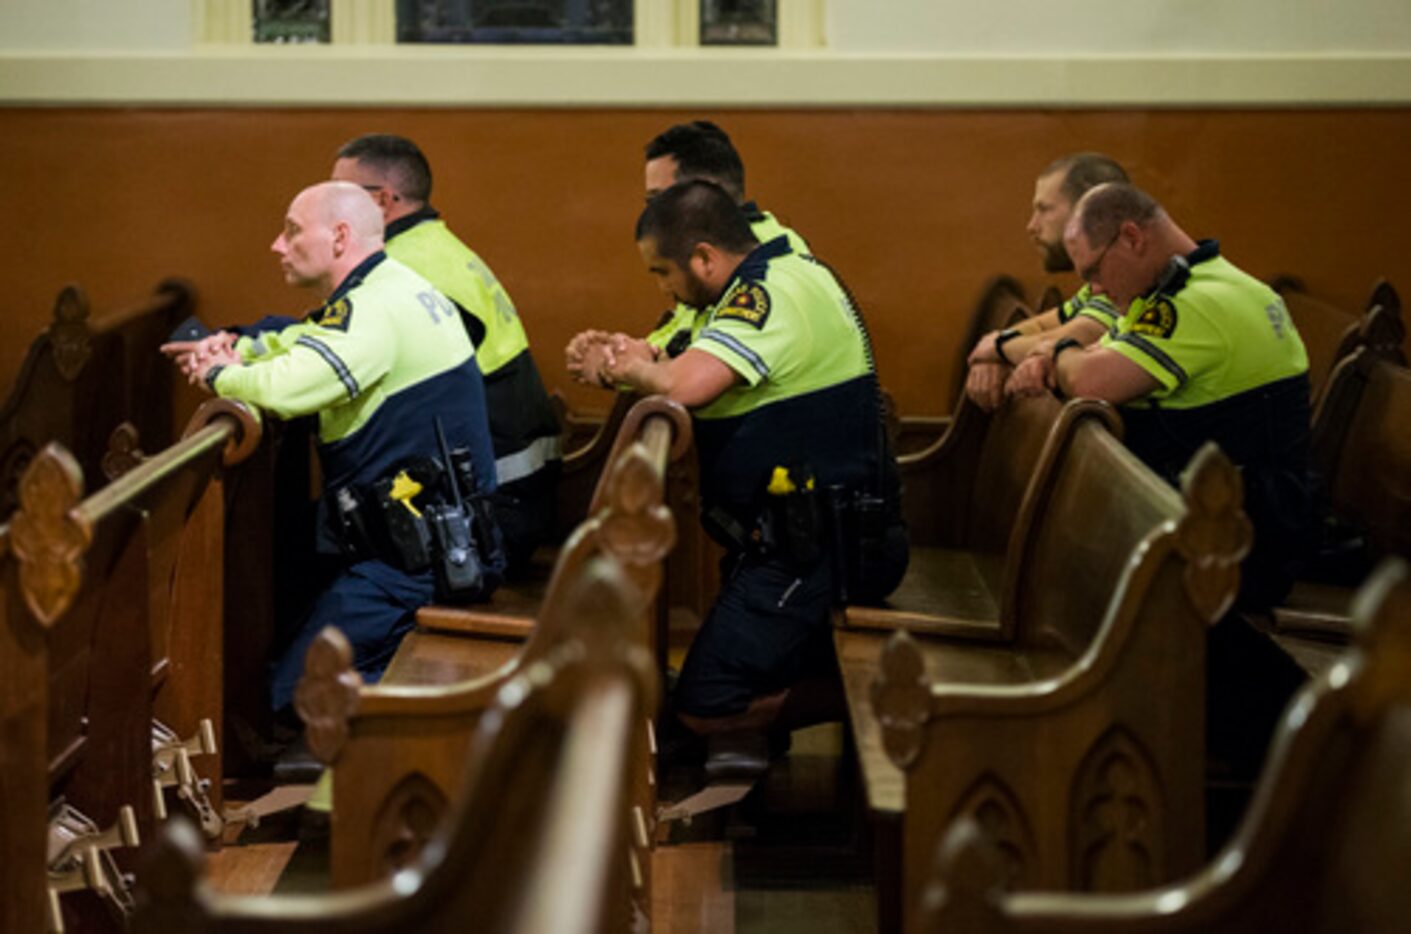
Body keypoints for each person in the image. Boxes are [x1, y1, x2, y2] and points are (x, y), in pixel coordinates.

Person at [163, 181, 499, 715]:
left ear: (340, 237)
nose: (278, 245)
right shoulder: (387, 288)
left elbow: (291, 387)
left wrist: (217, 373)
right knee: (280, 627)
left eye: (292, 230)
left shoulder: (374, 307)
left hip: (417, 569)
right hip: (417, 549)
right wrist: (240, 345)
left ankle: (415, 722)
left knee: (292, 697)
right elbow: (304, 340)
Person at [601, 179, 908, 749]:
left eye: (662, 273)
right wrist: (637, 357)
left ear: (704, 258)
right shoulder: (774, 275)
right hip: (804, 539)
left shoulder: (765, 292)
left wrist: (632, 371)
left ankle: (881, 698)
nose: (665, 290)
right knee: (703, 684)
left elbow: (686, 383)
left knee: (704, 705)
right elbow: (683, 356)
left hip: (823, 550)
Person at [1048, 182, 1317, 610]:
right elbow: (1095, 359)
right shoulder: (1209, 285)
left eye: (1093, 272)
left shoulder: (1194, 304)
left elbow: (1089, 381)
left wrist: (1058, 351)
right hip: (1236, 527)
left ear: (1132, 238)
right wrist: (1069, 357)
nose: (1094, 290)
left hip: (1232, 553)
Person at [331, 134, 562, 575]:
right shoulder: (436, 247)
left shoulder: (403, 268)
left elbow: (343, 367)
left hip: (490, 515)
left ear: (382, 201)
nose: (330, 206)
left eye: (340, 194)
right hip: (522, 491)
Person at [565, 121, 810, 388]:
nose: (651, 215)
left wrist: (619, 366)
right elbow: (678, 343)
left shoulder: (761, 263)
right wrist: (616, 355)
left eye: (659, 199)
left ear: (701, 194)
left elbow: (694, 373)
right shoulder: (708, 249)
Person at [964, 153, 1129, 410]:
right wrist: (996, 348)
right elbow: (1044, 325)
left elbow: (1076, 336)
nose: (1032, 226)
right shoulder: (1094, 287)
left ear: (1089, 208)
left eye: (1044, 209)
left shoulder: (1125, 282)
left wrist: (996, 347)